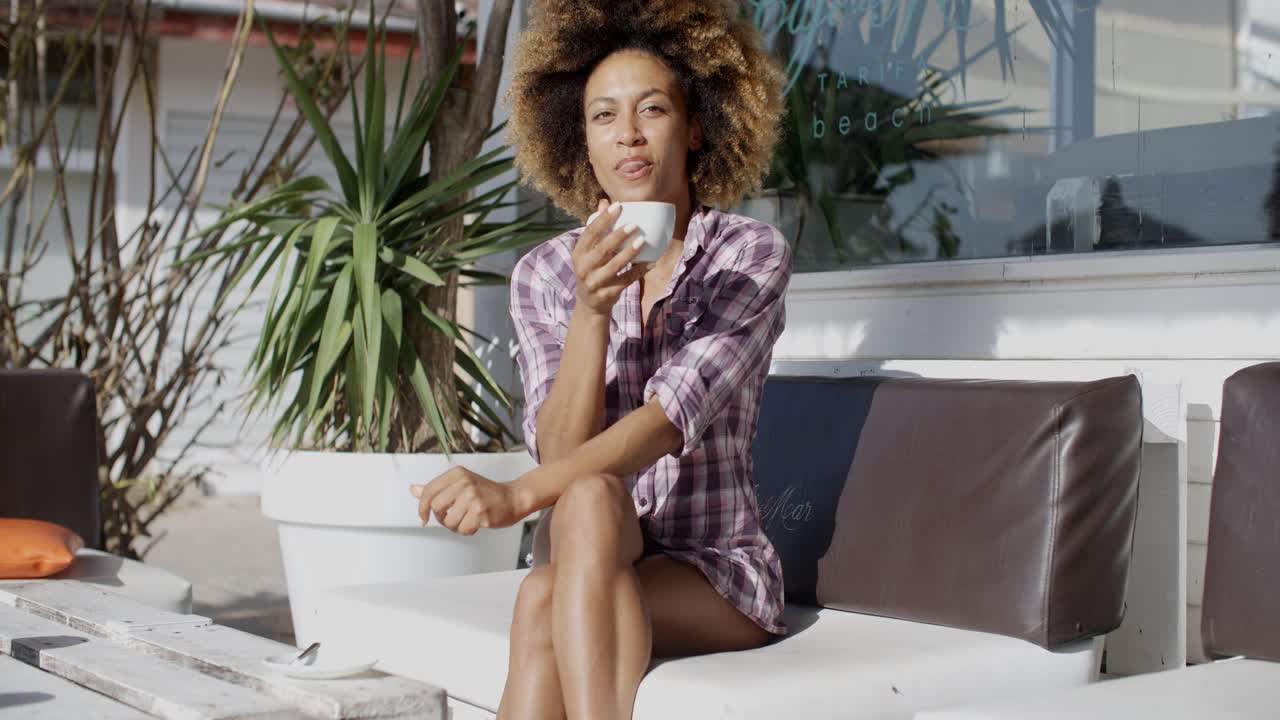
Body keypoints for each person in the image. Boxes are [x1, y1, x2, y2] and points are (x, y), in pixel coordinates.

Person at [409, 1, 790, 717]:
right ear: (581, 142)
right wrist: (591, 311)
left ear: (697, 126)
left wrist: (518, 496)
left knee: (542, 596)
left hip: (713, 574)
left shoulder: (746, 257)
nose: (629, 135)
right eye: (604, 116)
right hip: (595, 545)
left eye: (652, 109)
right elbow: (560, 449)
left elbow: (668, 419)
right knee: (581, 504)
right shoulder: (546, 274)